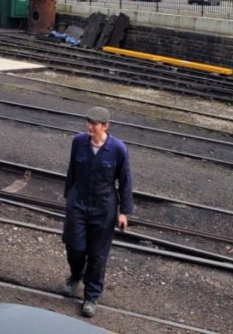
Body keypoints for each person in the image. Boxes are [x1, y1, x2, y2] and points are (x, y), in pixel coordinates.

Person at [61, 106, 133, 318]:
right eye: (88, 122)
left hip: (104, 208)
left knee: (98, 256)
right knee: (75, 247)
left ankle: (91, 296)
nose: (89, 127)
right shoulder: (78, 142)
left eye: (94, 124)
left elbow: (125, 180)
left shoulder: (118, 149)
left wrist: (124, 212)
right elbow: (71, 171)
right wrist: (69, 198)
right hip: (78, 204)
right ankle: (75, 275)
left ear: (105, 126)